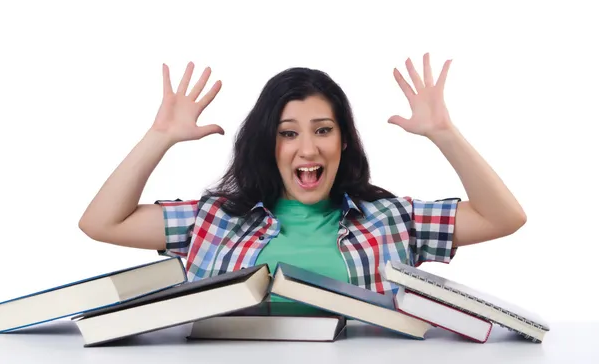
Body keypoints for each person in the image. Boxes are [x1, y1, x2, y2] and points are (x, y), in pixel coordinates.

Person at [78, 53, 527, 297]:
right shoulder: (214, 219)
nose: (307, 149)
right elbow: (101, 223)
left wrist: (444, 133)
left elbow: (503, 218)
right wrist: (160, 136)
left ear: (344, 141)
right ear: (266, 144)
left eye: (323, 131)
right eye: (287, 133)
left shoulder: (390, 218)